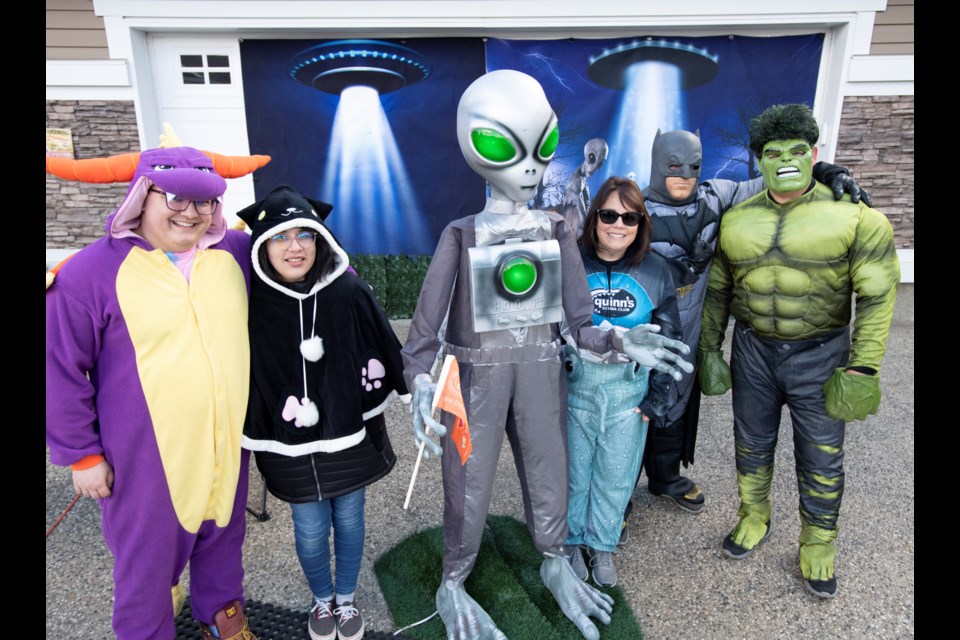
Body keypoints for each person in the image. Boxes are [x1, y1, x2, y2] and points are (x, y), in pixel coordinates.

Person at [401, 69, 691, 640]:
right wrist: (420, 380)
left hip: (538, 369)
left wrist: (616, 339)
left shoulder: (556, 230)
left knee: (548, 469)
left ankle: (556, 559)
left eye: (544, 146)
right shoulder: (462, 234)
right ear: (475, 144)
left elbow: (580, 321)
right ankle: (453, 579)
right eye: (505, 145)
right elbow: (424, 332)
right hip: (475, 376)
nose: (531, 166)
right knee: (468, 481)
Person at [46, 146, 258, 639]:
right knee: (146, 569)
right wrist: (81, 454)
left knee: (224, 544)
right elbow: (58, 369)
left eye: (204, 202)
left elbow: (298, 267)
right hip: (143, 460)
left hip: (227, 446)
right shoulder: (87, 274)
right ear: (142, 196)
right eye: (177, 198)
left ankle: (225, 626)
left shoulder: (235, 254)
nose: (192, 212)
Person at [698, 103, 900, 599]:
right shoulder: (736, 220)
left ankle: (818, 544)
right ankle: (753, 516)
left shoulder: (857, 218)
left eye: (796, 150)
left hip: (822, 352)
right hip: (754, 352)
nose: (784, 159)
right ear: (758, 161)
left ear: (814, 153)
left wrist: (865, 364)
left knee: (822, 454)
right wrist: (709, 348)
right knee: (750, 443)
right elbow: (719, 291)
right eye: (772, 152)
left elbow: (876, 294)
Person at [633, 128, 873, 517]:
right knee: (631, 404)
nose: (684, 176)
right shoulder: (633, 206)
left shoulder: (716, 195)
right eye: (673, 166)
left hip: (691, 322)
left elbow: (780, 178)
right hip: (642, 322)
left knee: (677, 400)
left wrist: (828, 170)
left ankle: (665, 477)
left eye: (692, 166)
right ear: (657, 162)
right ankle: (619, 494)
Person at [238, 185, 408, 640]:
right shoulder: (248, 301)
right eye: (280, 237)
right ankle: (321, 600)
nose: (295, 247)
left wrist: (413, 389)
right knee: (310, 527)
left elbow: (383, 339)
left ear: (320, 239)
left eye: (305, 235)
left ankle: (347, 601)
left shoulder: (347, 289)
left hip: (347, 432)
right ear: (262, 245)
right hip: (285, 439)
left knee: (350, 519)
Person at [563, 176, 683, 589]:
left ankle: (603, 543)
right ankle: (570, 541)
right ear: (595, 217)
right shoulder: (570, 262)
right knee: (574, 471)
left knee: (616, 473)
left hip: (628, 394)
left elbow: (670, 340)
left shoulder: (655, 270)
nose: (619, 225)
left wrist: (657, 400)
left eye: (630, 217)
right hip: (575, 389)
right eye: (610, 214)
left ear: (640, 223)